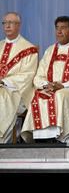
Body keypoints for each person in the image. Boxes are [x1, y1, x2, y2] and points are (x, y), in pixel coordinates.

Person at [21, 16, 69, 143]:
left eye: (63, 28)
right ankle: (42, 140)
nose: (59, 31)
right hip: (52, 88)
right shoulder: (50, 51)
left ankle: (62, 137)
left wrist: (63, 86)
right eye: (57, 28)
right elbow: (39, 75)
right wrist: (47, 85)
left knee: (61, 96)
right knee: (38, 96)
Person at [0, 12, 38, 143]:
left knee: (2, 97)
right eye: (5, 23)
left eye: (11, 23)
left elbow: (28, 75)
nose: (7, 26)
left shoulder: (29, 49)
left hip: (16, 91)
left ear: (19, 25)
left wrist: (4, 81)